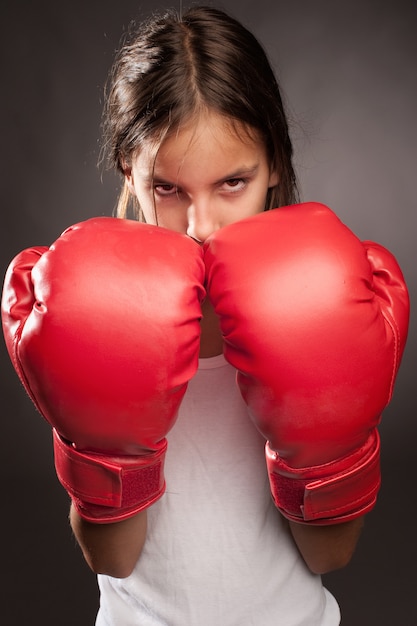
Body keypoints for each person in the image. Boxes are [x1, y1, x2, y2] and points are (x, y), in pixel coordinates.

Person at [1, 5, 410, 626]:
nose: (201, 226)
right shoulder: (95, 311)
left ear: (273, 165)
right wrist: (107, 454)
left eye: (231, 183)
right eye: (168, 188)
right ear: (129, 174)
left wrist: (324, 450)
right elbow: (112, 559)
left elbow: (331, 551)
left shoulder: (319, 301)